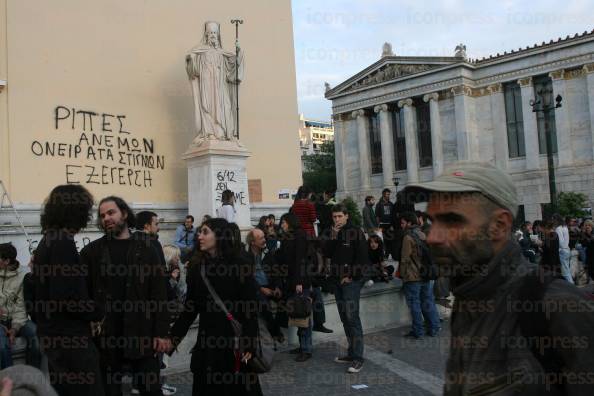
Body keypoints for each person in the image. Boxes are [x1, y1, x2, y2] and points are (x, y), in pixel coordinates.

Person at [403, 162, 594, 395]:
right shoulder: (466, 299)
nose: (432, 237)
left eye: (452, 221)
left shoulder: (559, 305)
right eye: (432, 221)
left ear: (499, 225)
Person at [80, 196, 170, 396]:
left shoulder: (148, 247)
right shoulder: (91, 252)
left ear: (125, 214)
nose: (106, 218)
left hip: (142, 332)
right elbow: (82, 293)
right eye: (102, 215)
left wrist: (162, 332)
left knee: (150, 389)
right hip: (107, 337)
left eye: (111, 213)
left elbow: (159, 293)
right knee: (109, 390)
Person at [167, 218, 262, 395]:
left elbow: (250, 306)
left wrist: (249, 342)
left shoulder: (239, 265)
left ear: (219, 236)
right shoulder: (198, 268)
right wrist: (173, 339)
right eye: (199, 232)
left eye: (205, 232)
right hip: (207, 347)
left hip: (233, 345)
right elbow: (190, 309)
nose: (199, 236)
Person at [32, 184, 102, 395]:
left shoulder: (49, 240)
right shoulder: (62, 242)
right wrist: (98, 311)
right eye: (87, 208)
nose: (88, 214)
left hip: (56, 337)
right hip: (70, 341)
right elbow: (65, 298)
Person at [322, 204, 369, 374]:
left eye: (340, 216)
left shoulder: (356, 232)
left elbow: (363, 259)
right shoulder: (333, 232)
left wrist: (351, 276)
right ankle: (351, 353)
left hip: (351, 282)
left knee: (352, 318)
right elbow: (326, 253)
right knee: (344, 318)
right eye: (334, 217)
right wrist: (333, 236)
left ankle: (358, 358)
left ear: (347, 216)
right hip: (337, 282)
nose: (337, 219)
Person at [135, 211, 176, 396]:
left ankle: (138, 384)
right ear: (146, 226)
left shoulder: (128, 242)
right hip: (153, 309)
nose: (158, 227)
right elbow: (160, 279)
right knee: (153, 354)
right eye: (156, 223)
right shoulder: (153, 244)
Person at [276, 213, 313, 362]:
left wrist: (299, 282)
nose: (282, 225)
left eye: (283, 222)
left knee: (303, 313)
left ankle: (307, 348)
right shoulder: (289, 236)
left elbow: (300, 259)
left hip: (300, 280)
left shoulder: (299, 235)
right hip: (292, 280)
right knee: (297, 313)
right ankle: (302, 345)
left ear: (290, 222)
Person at [398, 211, 440, 339]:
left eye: (403, 222)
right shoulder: (422, 234)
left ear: (409, 223)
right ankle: (433, 328)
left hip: (412, 277)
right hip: (425, 275)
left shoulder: (407, 237)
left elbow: (404, 259)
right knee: (427, 302)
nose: (401, 225)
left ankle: (418, 331)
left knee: (415, 304)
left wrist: (403, 276)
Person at [0, 243, 41, 371]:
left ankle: (30, 377)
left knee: (37, 339)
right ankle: (10, 384)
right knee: (1, 346)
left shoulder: (23, 275)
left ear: (6, 261)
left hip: (18, 319)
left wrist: (15, 328)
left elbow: (22, 306)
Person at [245, 229, 284, 343]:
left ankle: (276, 325)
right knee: (264, 305)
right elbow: (248, 278)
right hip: (256, 288)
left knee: (287, 301)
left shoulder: (268, 254)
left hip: (270, 286)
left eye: (264, 237)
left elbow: (277, 272)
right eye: (261, 238)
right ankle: (275, 332)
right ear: (253, 242)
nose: (264, 240)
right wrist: (261, 289)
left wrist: (278, 287)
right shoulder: (246, 257)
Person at [553, 214, 573, 283]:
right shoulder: (564, 227)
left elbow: (560, 242)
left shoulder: (558, 228)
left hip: (562, 251)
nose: (552, 221)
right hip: (567, 250)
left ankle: (572, 288)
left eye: (553, 219)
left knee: (565, 273)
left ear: (556, 220)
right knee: (567, 271)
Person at [375, 189, 394, 259]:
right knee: (384, 240)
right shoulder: (379, 204)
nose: (388, 196)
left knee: (390, 239)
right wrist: (378, 225)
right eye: (387, 194)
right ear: (383, 194)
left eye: (389, 194)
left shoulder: (391, 204)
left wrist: (392, 225)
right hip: (382, 224)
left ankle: (388, 253)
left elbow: (393, 215)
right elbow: (377, 215)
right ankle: (385, 254)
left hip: (390, 225)